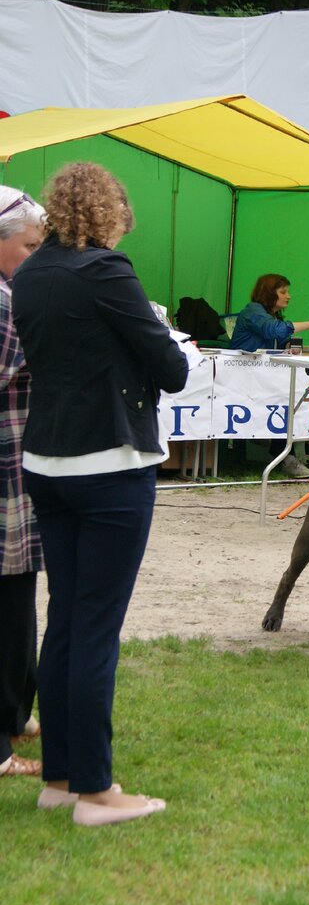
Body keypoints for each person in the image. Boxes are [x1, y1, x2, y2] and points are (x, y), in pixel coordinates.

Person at [12, 162, 189, 827]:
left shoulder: (28, 274)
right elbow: (170, 368)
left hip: (47, 461)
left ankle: (59, 777)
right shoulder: (108, 271)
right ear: (111, 213)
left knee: (66, 619)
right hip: (109, 463)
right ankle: (95, 790)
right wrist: (158, 340)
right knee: (94, 627)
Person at [0, 187, 46, 782]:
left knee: (17, 598)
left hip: (16, 466)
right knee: (8, 604)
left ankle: (14, 712)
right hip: (6, 466)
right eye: (30, 245)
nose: (37, 255)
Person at [230, 273, 309, 479]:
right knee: (286, 403)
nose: (289, 296)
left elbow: (278, 339)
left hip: (262, 377)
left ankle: (282, 455)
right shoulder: (254, 311)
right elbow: (274, 331)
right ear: (269, 293)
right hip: (241, 377)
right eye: (283, 292)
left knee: (289, 402)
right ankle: (284, 457)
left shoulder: (271, 316)